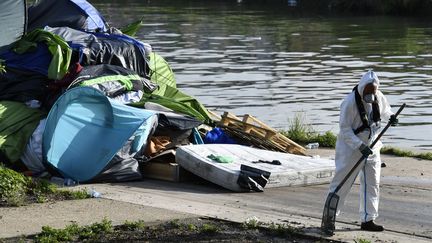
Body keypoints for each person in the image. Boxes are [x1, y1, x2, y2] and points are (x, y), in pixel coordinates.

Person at [325, 70, 398, 232]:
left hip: (373, 146)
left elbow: (386, 111)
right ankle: (329, 219)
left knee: (373, 184)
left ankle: (368, 219)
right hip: (351, 149)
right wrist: (360, 146)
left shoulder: (378, 96)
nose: (371, 95)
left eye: (373, 91)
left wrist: (391, 117)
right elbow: (345, 130)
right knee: (341, 184)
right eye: (368, 92)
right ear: (361, 88)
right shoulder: (349, 102)